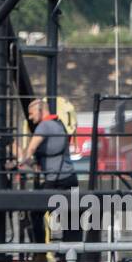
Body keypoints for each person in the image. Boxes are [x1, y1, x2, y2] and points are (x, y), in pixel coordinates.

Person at [18, 99, 80, 250]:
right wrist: (33, 164)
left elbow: (31, 149)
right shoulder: (59, 124)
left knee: (36, 213)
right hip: (69, 178)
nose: (30, 118)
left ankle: (40, 253)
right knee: (70, 218)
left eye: (31, 114)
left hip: (56, 180)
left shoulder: (44, 126)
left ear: (40, 111)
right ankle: (72, 255)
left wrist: (18, 163)